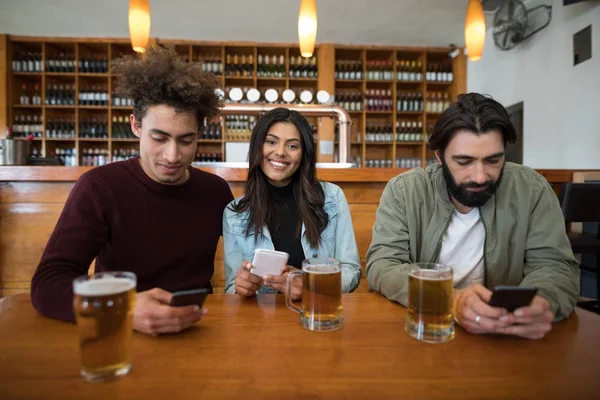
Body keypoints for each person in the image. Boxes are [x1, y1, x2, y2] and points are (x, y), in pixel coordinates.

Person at [30, 45, 234, 335]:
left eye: (186, 140)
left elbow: (251, 257)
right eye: (159, 138)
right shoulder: (99, 187)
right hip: (120, 333)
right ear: (136, 125)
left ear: (200, 133)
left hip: (199, 329)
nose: (173, 155)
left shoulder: (216, 192)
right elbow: (48, 283)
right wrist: (119, 307)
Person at [366, 93, 579, 340]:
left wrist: (544, 302)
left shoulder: (532, 189)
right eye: (464, 161)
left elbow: (555, 266)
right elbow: (383, 265)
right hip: (426, 330)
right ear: (439, 156)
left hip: (507, 337)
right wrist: (450, 299)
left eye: (493, 160)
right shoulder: (405, 190)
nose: (479, 176)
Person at [223, 108, 361, 298]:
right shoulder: (234, 212)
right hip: (262, 323)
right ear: (257, 146)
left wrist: (311, 285)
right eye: (271, 142)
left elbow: (351, 271)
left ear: (304, 153)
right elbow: (231, 288)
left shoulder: (332, 197)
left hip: (316, 315)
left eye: (292, 146)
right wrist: (241, 287)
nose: (280, 152)